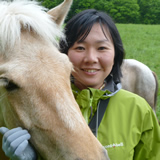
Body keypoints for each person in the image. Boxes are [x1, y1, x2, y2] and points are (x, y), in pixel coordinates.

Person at [0, 9, 160, 160]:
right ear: (65, 52)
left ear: (115, 53)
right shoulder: (44, 101)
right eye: (80, 48)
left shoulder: (139, 109)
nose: (91, 58)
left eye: (102, 48)